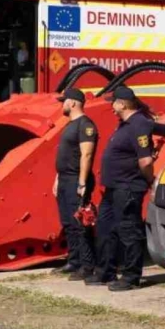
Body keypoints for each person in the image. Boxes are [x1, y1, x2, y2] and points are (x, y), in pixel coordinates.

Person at [86, 86, 154, 291]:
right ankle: (106, 271)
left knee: (129, 231)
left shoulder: (139, 124)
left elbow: (145, 160)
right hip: (113, 188)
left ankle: (131, 277)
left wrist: (150, 181)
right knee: (106, 228)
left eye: (113, 103)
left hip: (128, 187)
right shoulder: (124, 125)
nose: (112, 108)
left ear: (122, 104)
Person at [53, 87, 99, 281]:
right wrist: (57, 178)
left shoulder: (85, 125)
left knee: (80, 223)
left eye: (64, 101)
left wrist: (81, 183)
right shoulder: (69, 124)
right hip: (64, 179)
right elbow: (65, 154)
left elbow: (86, 154)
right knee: (67, 223)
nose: (62, 104)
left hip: (76, 180)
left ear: (72, 103)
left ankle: (87, 266)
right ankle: (74, 261)